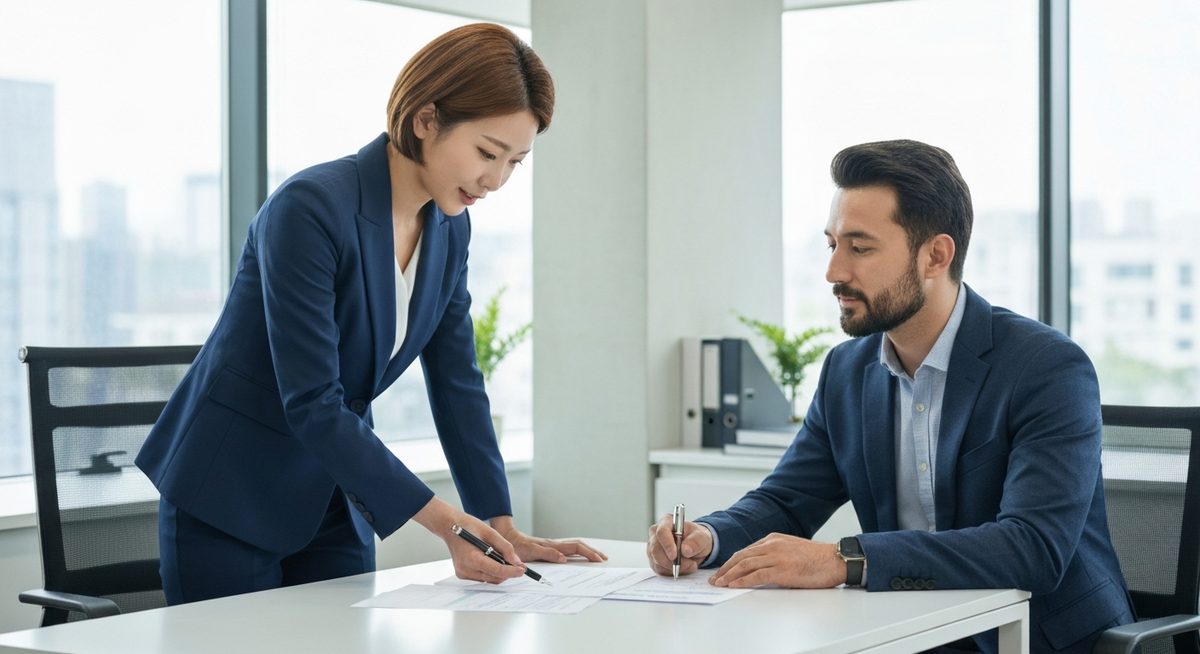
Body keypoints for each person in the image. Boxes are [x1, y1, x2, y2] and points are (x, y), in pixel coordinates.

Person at [137, 23, 604, 605]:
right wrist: (446, 523)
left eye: (515, 162)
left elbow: (459, 383)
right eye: (487, 152)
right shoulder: (310, 209)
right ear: (426, 120)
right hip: (231, 494)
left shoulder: (449, 229)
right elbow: (311, 399)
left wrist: (497, 519)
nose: (496, 180)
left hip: (333, 496)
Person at [647, 140, 1133, 653]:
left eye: (860, 248)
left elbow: (1033, 548)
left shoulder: (1046, 368)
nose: (834, 272)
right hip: (908, 635)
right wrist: (709, 535)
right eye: (831, 244)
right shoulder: (846, 371)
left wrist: (845, 560)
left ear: (935, 256)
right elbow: (787, 501)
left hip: (1039, 640)